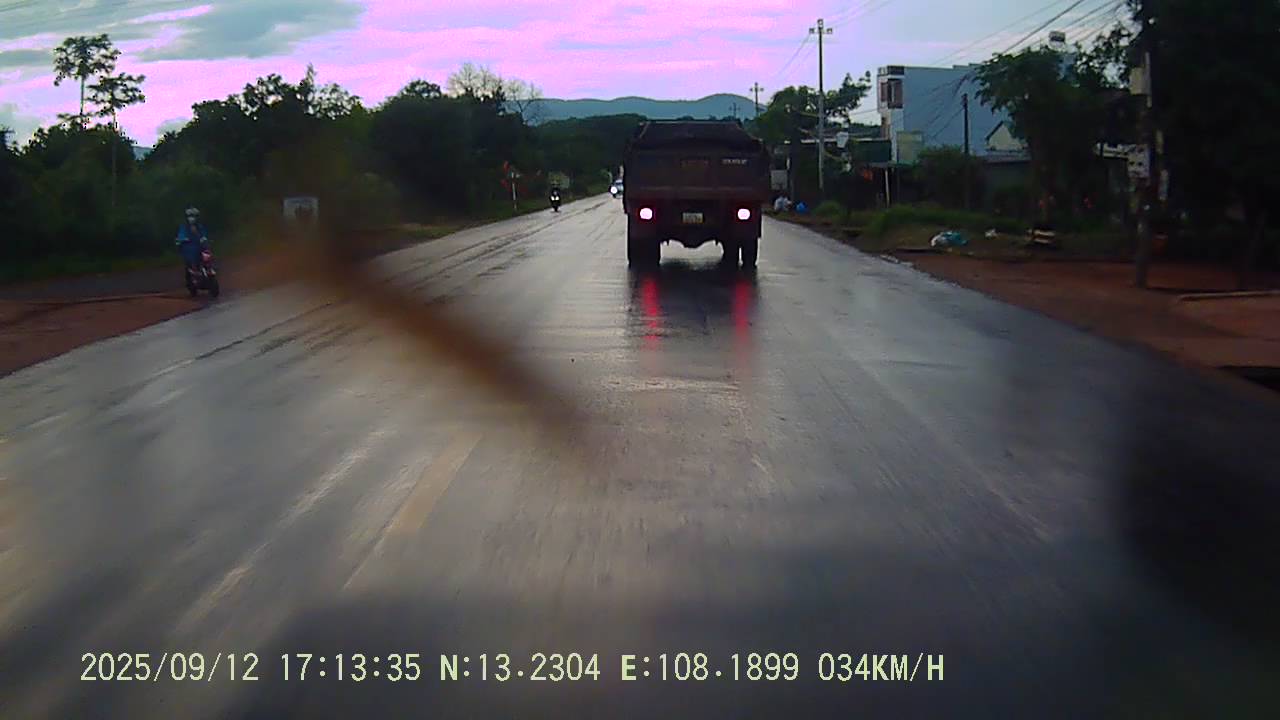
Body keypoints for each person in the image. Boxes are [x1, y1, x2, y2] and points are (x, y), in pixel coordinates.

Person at [176, 207, 209, 275]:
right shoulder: (184, 227)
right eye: (190, 216)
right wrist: (182, 239)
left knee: (206, 250)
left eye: (193, 216)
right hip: (189, 245)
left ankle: (208, 266)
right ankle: (193, 269)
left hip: (199, 244)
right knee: (190, 254)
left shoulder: (199, 226)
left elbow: (204, 233)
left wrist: (203, 238)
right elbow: (181, 234)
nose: (191, 218)